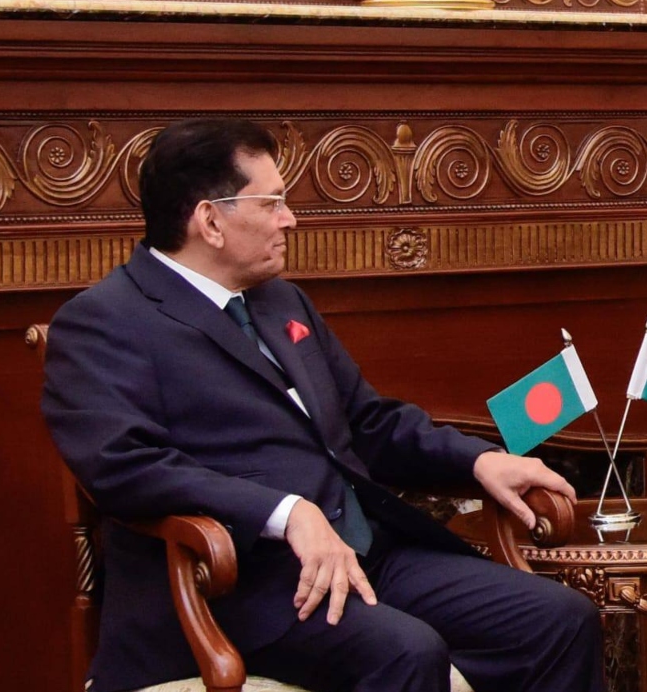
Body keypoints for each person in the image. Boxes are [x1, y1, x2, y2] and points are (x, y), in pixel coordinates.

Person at [41, 118, 604, 692]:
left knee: (559, 619)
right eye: (272, 203)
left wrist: (478, 461)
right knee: (408, 651)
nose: (290, 219)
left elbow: (367, 422)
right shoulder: (104, 322)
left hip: (365, 554)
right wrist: (285, 512)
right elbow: (125, 466)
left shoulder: (281, 300)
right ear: (210, 221)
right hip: (238, 589)